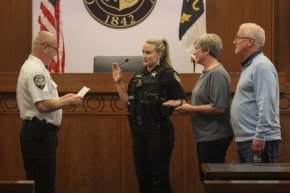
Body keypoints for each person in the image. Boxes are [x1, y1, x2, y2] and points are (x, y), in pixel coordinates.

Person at [112, 38, 186, 193]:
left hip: (158, 131)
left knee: (159, 178)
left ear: (159, 54)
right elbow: (128, 105)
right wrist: (119, 83)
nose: (144, 56)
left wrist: (176, 103)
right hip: (139, 131)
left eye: (148, 52)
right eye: (143, 52)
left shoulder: (167, 74)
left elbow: (182, 100)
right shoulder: (138, 75)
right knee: (142, 177)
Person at [16, 31, 83, 193]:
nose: (56, 53)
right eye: (55, 49)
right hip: (39, 134)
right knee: (42, 185)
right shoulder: (35, 71)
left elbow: (45, 100)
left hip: (41, 134)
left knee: (44, 182)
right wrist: (68, 101)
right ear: (45, 47)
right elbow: (42, 105)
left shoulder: (38, 68)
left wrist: (63, 98)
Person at [163, 33, 233, 181]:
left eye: (197, 49)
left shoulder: (217, 74)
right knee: (206, 179)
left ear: (207, 51)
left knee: (213, 181)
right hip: (205, 135)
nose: (194, 52)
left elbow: (219, 107)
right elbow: (203, 101)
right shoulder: (206, 72)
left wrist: (190, 109)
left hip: (214, 136)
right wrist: (181, 104)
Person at [231, 23, 281, 163]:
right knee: (249, 184)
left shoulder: (261, 66)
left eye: (238, 38)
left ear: (250, 42)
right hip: (248, 139)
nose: (234, 42)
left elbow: (267, 105)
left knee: (259, 184)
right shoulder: (251, 65)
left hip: (258, 140)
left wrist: (260, 136)